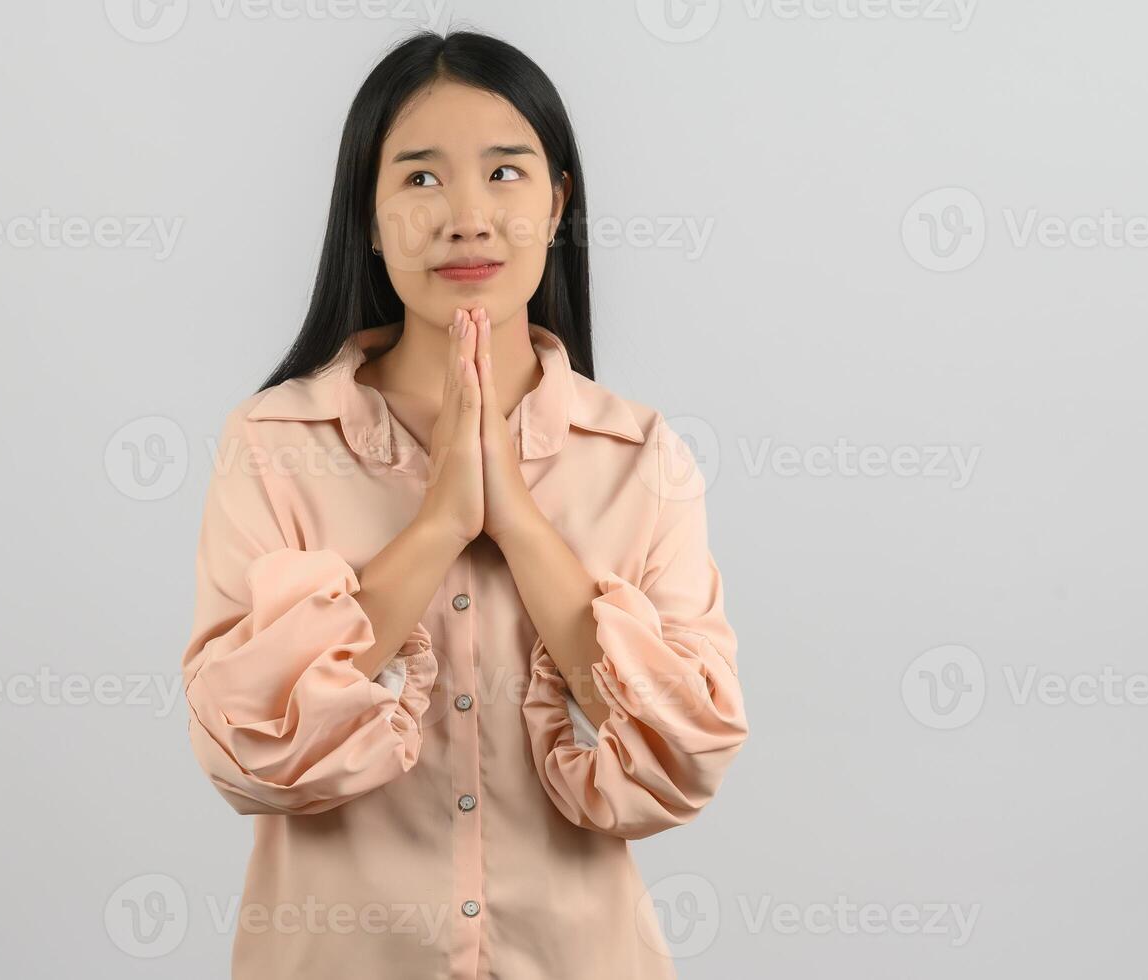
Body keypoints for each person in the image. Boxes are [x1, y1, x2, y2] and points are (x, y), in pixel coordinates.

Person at [179, 28, 749, 980]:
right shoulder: (276, 446)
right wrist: (440, 521)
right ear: (364, 213)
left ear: (558, 202)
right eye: (419, 179)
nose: (468, 217)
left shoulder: (642, 457)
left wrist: (518, 522)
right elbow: (248, 748)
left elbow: (679, 759)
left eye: (506, 173)